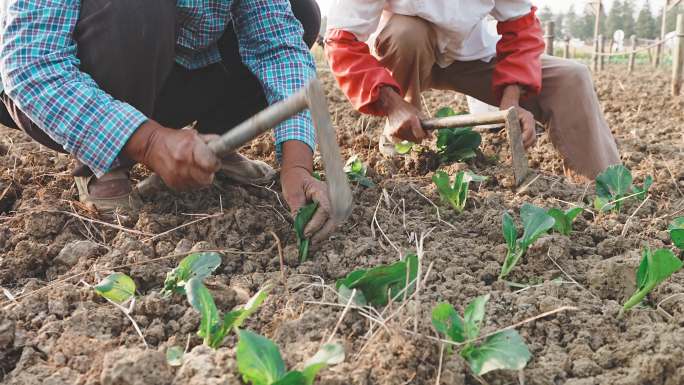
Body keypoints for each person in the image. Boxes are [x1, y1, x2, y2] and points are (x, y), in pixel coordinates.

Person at [0, 0, 335, 243]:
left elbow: (276, 45)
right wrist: (150, 142)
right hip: (51, 88)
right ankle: (105, 165)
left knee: (302, 13)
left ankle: (214, 145)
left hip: (167, 66)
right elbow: (32, 65)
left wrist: (297, 165)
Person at [324, 0, 621, 180]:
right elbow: (342, 42)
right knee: (407, 33)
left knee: (572, 77)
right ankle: (402, 136)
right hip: (403, 54)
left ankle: (605, 189)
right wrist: (391, 103)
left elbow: (521, 28)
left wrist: (512, 98)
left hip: (469, 54)